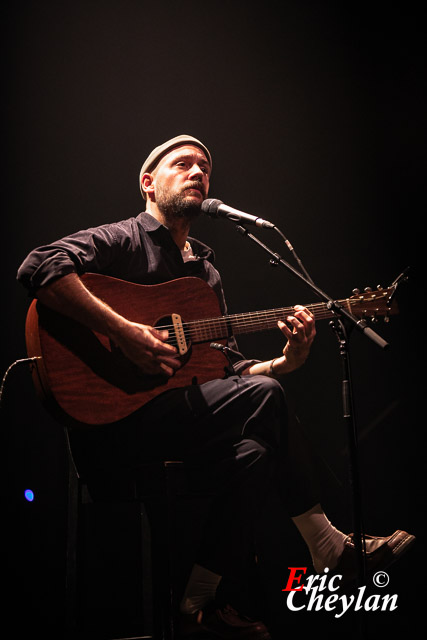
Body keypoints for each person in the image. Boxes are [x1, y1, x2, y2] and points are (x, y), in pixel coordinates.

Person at [17, 135, 415, 639]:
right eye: (182, 163)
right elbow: (39, 265)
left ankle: (194, 604)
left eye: (204, 167)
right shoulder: (121, 239)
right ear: (147, 184)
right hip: (112, 427)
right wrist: (125, 332)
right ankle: (327, 544)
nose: (197, 172)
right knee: (263, 404)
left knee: (255, 449)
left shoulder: (206, 274)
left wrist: (283, 361)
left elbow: (225, 373)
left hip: (179, 421)